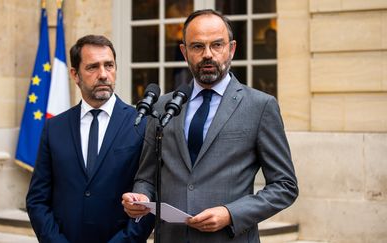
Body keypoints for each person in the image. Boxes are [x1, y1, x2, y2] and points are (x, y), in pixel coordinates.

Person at [122, 9, 298, 243]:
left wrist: (230, 214)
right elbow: (146, 176)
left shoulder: (260, 106)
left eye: (217, 45)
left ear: (231, 49)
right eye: (197, 46)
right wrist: (140, 198)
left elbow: (285, 186)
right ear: (185, 52)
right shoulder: (164, 106)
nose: (208, 55)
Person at [26, 35, 154, 243]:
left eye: (109, 65)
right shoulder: (54, 128)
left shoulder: (142, 124)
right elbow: (37, 200)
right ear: (75, 75)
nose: (103, 74)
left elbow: (150, 198)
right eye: (93, 67)